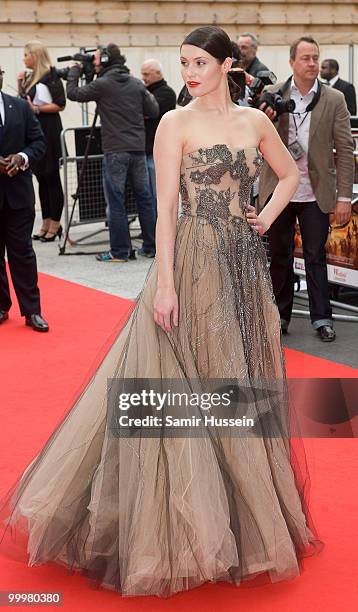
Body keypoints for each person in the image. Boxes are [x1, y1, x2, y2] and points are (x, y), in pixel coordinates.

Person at [0, 27, 320, 597]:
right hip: (192, 265)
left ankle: (244, 516)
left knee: (240, 383)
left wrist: (266, 216)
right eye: (183, 63)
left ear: (227, 64)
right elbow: (165, 213)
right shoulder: (174, 123)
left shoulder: (255, 122)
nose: (190, 72)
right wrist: (165, 282)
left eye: (199, 62)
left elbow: (293, 174)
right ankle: (191, 525)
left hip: (244, 268)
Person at [259, 36, 355, 342]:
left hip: (316, 192)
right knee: (279, 256)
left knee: (316, 256)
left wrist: (343, 196)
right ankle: (279, 316)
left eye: (315, 58)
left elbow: (345, 149)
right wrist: (267, 116)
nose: (312, 63)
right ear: (291, 63)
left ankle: (322, 318)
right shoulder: (272, 95)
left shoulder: (334, 99)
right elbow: (255, 142)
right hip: (279, 190)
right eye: (306, 58)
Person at [66, 44, 159, 262]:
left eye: (97, 59)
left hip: (116, 151)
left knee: (116, 201)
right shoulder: (136, 83)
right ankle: (151, 247)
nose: (94, 62)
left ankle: (119, 251)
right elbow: (153, 110)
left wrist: (74, 71)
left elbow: (73, 93)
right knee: (144, 199)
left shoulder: (103, 84)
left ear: (107, 60)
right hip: (137, 150)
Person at [0, 65, 49, 332]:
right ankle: (1, 306)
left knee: (23, 254)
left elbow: (39, 142)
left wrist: (22, 158)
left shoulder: (19, 107)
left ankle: (32, 311)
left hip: (18, 194)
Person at [18, 41, 66, 242]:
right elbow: (23, 103)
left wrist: (37, 109)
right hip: (36, 132)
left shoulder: (52, 75)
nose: (24, 58)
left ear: (36, 56)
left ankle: (56, 223)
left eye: (27, 54)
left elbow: (60, 104)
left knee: (52, 178)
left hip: (50, 131)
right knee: (41, 179)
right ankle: (45, 221)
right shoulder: (29, 77)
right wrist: (20, 83)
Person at [141, 59, 177, 212]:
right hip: (146, 149)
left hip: (158, 152)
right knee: (148, 194)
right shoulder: (146, 91)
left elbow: (148, 112)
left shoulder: (166, 93)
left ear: (158, 73)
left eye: (146, 74)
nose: (143, 77)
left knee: (158, 194)